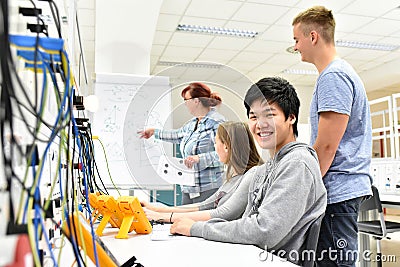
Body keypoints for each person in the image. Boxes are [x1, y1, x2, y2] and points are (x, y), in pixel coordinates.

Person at [170, 77, 327, 266]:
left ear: (291, 117)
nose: (260, 124)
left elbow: (264, 231)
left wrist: (197, 228)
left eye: (269, 115)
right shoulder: (268, 168)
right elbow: (247, 221)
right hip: (249, 256)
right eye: (254, 116)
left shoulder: (297, 163)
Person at [292, 6, 372, 266]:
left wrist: (302, 190)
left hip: (338, 190)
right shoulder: (336, 74)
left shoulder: (334, 76)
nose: (296, 47)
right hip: (340, 188)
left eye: (297, 39)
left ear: (313, 37)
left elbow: (326, 147)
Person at [142, 121, 263, 223]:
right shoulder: (234, 177)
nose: (215, 147)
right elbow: (204, 206)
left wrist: (164, 217)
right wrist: (156, 210)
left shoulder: (252, 174)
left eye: (216, 142)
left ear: (226, 146)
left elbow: (223, 213)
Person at [139, 82, 226, 204]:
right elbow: (177, 135)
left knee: (201, 222)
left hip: (209, 187)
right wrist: (154, 132)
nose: (185, 104)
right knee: (183, 220)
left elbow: (226, 154)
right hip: (189, 186)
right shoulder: (192, 124)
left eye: (186, 100)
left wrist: (199, 158)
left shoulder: (216, 122)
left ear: (196, 100)